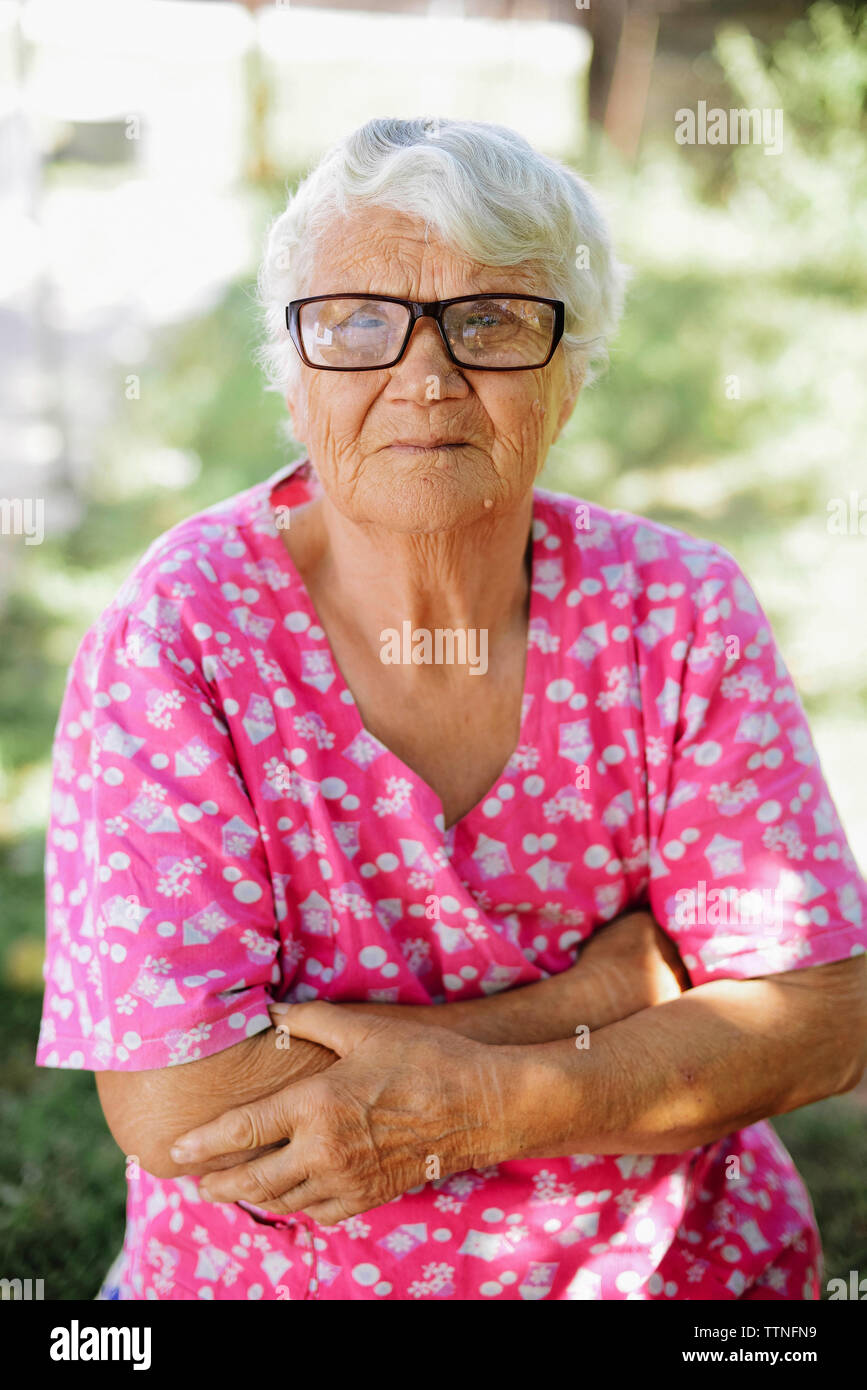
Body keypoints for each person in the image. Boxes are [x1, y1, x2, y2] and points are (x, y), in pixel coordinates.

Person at [37, 117, 867, 1301]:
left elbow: (821, 1021)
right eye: (360, 323)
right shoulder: (182, 632)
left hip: (670, 1279)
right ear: (293, 369)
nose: (423, 376)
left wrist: (474, 1108)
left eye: (490, 323)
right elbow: (185, 1108)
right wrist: (604, 999)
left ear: (571, 370)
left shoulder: (677, 609)